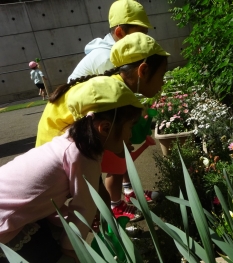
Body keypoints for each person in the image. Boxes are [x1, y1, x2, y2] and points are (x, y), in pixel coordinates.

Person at [0, 76, 144, 263]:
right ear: (106, 128)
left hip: (14, 211)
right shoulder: (84, 156)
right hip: (7, 221)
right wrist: (73, 249)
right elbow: (85, 207)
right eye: (130, 127)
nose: (131, 135)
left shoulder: (73, 142)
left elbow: (45, 194)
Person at [35, 32, 170, 222]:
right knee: (70, 216)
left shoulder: (113, 87)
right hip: (52, 167)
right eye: (161, 75)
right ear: (144, 70)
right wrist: (100, 204)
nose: (163, 83)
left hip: (57, 156)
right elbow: (92, 162)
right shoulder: (110, 97)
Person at [67, 0, 152, 82]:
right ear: (119, 33)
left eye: (145, 33)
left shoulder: (115, 53)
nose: (144, 38)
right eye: (140, 33)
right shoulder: (107, 59)